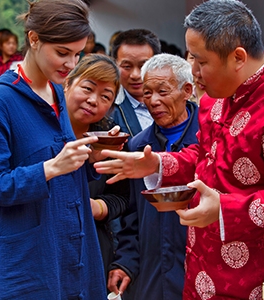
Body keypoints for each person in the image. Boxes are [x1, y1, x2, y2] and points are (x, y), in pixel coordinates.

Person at [94, 0, 264, 298]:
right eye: (190, 58)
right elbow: (205, 155)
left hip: (256, 279)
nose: (193, 72)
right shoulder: (215, 98)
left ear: (237, 57)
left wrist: (224, 209)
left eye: (201, 61)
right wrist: (158, 164)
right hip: (199, 270)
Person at [0, 0, 107, 299]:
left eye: (77, 54)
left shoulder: (57, 92)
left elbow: (62, 164)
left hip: (72, 248)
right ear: (33, 39)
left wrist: (92, 156)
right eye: (62, 53)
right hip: (29, 259)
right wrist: (50, 168)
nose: (70, 64)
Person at [107, 53, 199, 299]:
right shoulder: (139, 146)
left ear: (187, 90)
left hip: (199, 266)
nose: (154, 101)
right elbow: (132, 215)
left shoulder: (209, 138)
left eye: (163, 91)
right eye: (147, 93)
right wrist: (125, 262)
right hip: (153, 271)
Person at [64, 53, 130, 287]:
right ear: (68, 83)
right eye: (87, 88)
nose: (94, 100)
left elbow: (122, 196)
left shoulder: (111, 136)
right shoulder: (42, 128)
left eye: (105, 97)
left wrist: (98, 208)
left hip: (92, 245)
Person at [110, 28, 161, 139]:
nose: (135, 75)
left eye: (143, 66)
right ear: (115, 65)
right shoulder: (108, 109)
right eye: (127, 66)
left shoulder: (175, 103)